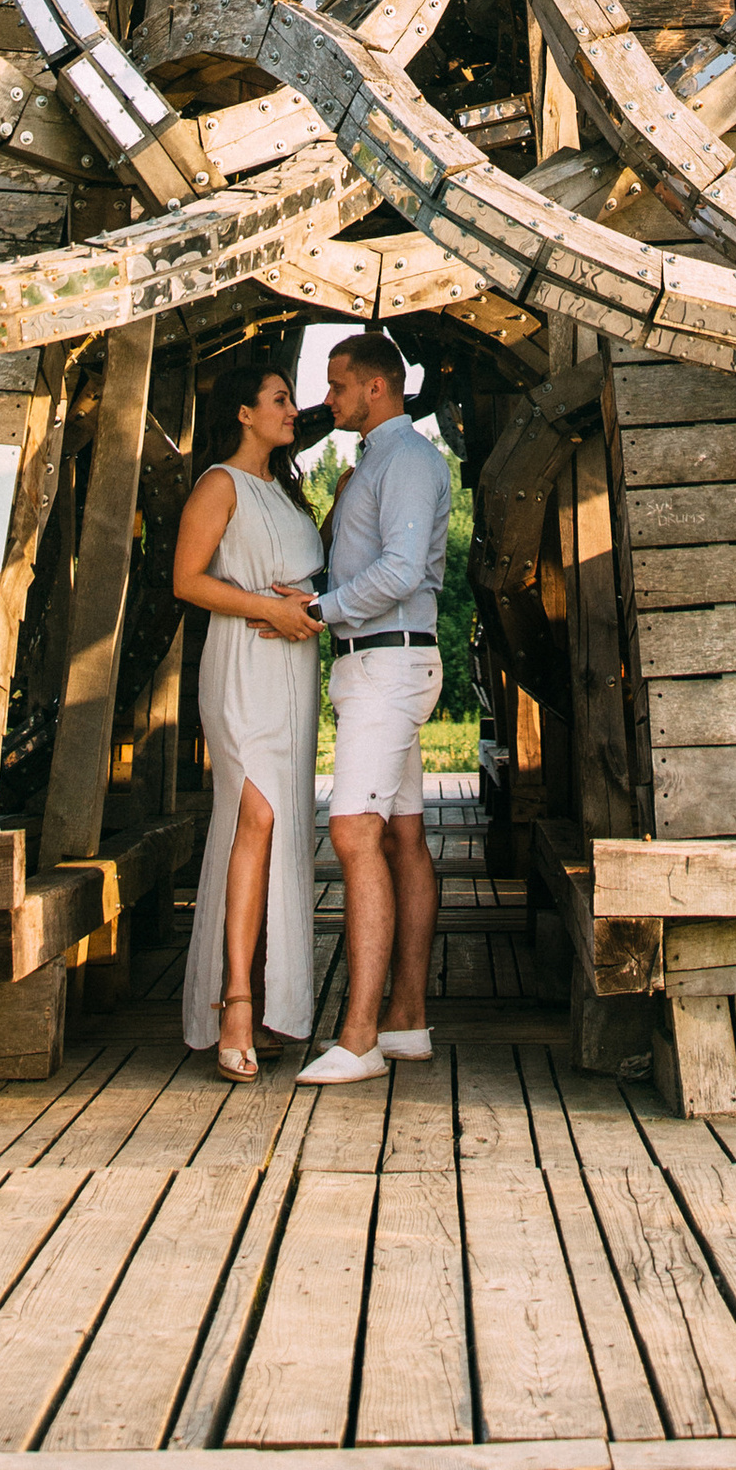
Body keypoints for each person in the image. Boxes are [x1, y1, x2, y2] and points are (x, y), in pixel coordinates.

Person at [287, 328, 451, 1088]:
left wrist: (320, 612)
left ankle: (358, 1039)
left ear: (376, 387)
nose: (328, 399)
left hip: (389, 662)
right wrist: (314, 593)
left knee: (354, 833)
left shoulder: (409, 459)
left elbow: (402, 568)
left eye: (338, 385)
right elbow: (366, 564)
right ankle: (406, 1022)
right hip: (380, 661)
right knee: (402, 836)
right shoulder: (378, 462)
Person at [171, 361, 327, 1080]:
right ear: (242, 412)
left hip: (293, 674)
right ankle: (233, 1000)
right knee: (253, 819)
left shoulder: (286, 494)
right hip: (241, 664)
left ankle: (269, 1001)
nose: (293, 410)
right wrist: (268, 608)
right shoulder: (219, 484)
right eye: (279, 399)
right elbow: (187, 580)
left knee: (281, 827)